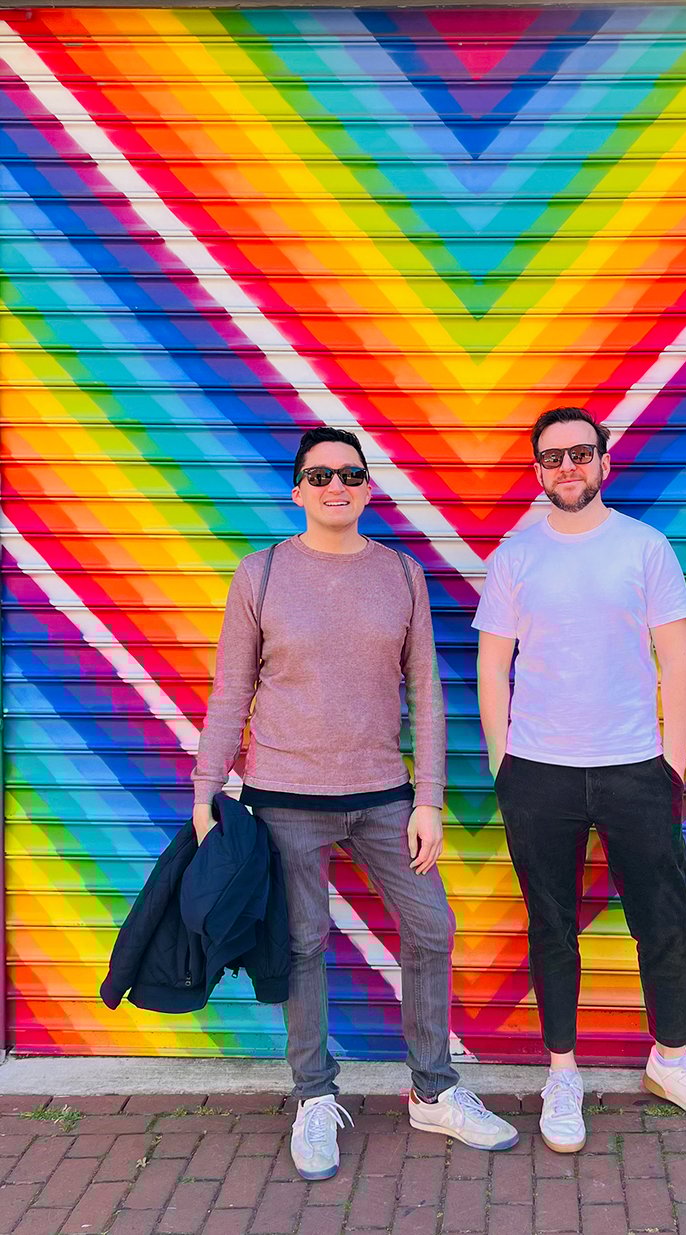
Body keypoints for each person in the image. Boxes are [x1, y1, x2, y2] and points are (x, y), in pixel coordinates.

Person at [193, 426, 518, 1181]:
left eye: (350, 473)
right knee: (304, 942)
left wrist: (429, 798)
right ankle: (312, 1095)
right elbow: (231, 689)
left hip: (381, 794)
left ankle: (432, 1089)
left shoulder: (402, 573)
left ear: (368, 487)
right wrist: (206, 787)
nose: (336, 485)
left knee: (432, 926)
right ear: (298, 489)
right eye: (320, 474)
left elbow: (429, 693)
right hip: (282, 797)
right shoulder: (263, 572)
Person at [474, 406, 686, 1152]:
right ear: (537, 470)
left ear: (604, 461)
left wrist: (673, 764)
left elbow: (676, 661)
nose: (568, 467)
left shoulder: (644, 547)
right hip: (540, 772)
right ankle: (563, 1072)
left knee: (662, 921)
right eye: (553, 457)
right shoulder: (515, 556)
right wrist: (506, 766)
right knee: (552, 926)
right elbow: (493, 665)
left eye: (580, 454)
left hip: (635, 768)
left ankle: (673, 1058)